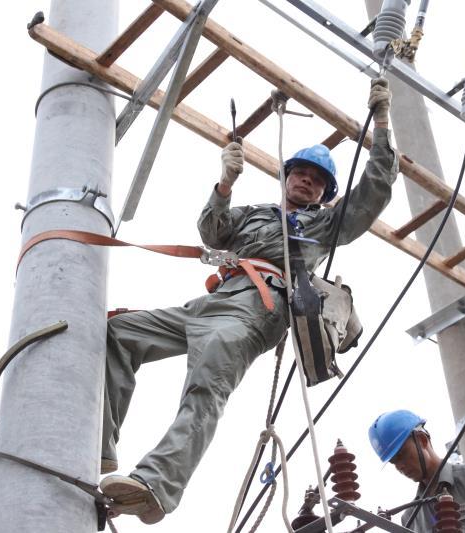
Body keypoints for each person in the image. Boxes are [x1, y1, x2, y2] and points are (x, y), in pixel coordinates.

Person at [98, 78, 398, 524]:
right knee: (119, 332)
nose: (308, 182)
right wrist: (225, 183)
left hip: (256, 310)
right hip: (212, 303)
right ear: (287, 176)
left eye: (318, 181)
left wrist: (382, 124)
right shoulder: (257, 214)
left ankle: (157, 485)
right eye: (302, 173)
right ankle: (97, 444)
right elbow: (212, 232)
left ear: (324, 194)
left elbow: (374, 190)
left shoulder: (323, 226)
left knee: (208, 380)